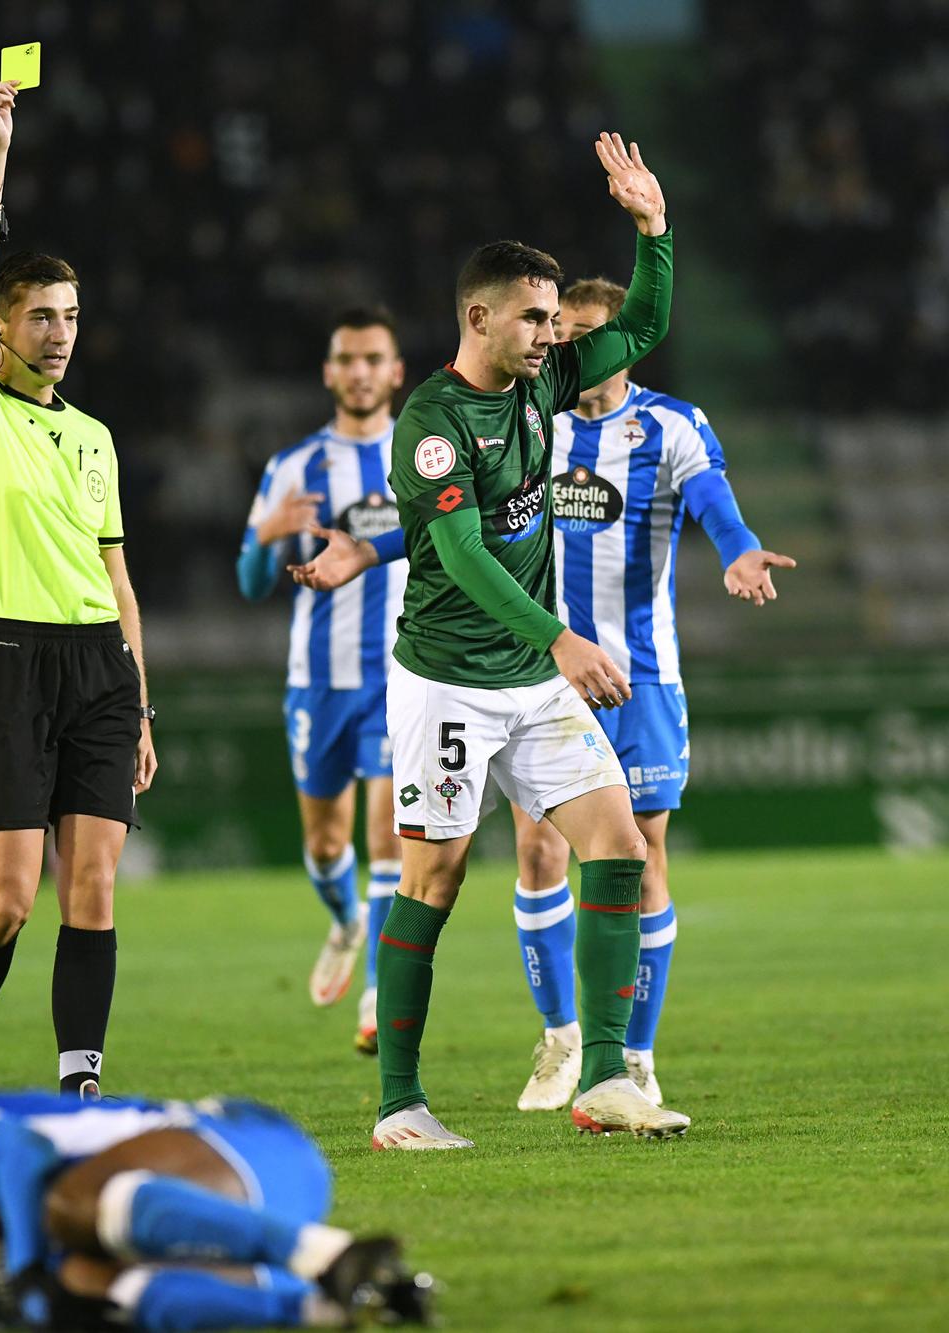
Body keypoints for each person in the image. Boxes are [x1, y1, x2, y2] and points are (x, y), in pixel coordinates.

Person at [291, 134, 688, 1147]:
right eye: (533, 318)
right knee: (435, 878)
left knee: (617, 850)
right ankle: (397, 1106)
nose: (552, 336)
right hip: (449, 688)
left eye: (557, 321)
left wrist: (651, 227)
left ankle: (603, 1074)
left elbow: (642, 319)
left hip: (530, 677)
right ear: (477, 317)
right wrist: (560, 638)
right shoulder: (429, 419)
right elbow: (461, 555)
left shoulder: (540, 385)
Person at [0, 79, 157, 1099]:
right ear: (2, 327)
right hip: (8, 661)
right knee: (9, 900)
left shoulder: (92, 434)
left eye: (69, 315)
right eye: (40, 315)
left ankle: (79, 1083)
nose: (59, 331)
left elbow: (116, 573)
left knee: (92, 888)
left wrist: (139, 694)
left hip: (99, 663)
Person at [502, 276, 796, 1113]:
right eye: (562, 333)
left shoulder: (671, 423)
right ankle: (561, 1036)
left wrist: (739, 550)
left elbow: (711, 496)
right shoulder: (532, 422)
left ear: (626, 339)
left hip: (642, 681)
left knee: (642, 860)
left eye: (589, 332)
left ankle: (632, 1054)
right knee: (538, 853)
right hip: (546, 679)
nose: (572, 347)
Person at [0, 1089, 433, 1331]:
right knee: (80, 1291)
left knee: (57, 1212)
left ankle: (328, 1256)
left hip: (238, 1146)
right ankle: (342, 1301)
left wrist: (22, 1270)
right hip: (234, 1236)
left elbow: (15, 1149)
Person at [236, 310, 409, 1052]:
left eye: (374, 358)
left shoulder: (423, 454)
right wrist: (266, 539)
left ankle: (376, 994)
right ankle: (346, 921)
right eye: (348, 359)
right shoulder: (295, 467)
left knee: (388, 838)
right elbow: (249, 583)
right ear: (329, 373)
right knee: (325, 841)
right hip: (318, 682)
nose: (362, 371)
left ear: (396, 371)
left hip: (403, 677)